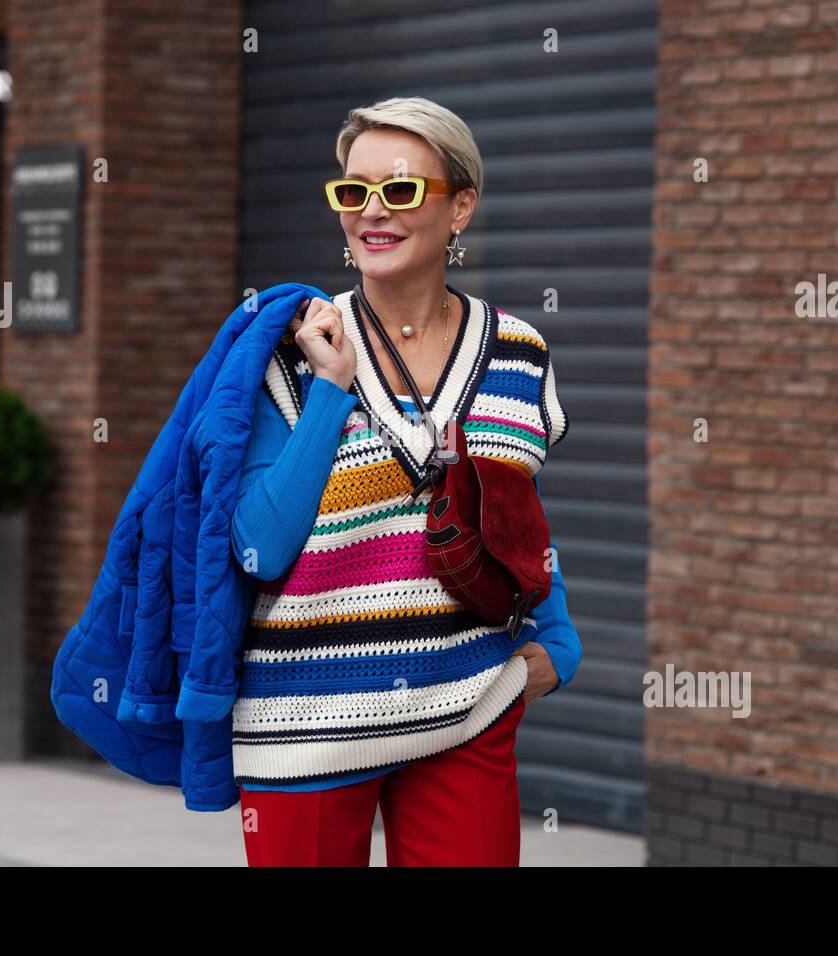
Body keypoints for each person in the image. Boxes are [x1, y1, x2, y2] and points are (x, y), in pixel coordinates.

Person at [229, 97, 581, 866]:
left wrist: (558, 640)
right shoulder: (291, 347)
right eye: (352, 192)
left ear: (460, 207)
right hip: (306, 720)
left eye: (401, 189)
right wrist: (330, 389)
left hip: (467, 704)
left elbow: (518, 514)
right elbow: (258, 544)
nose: (371, 213)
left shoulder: (519, 351)